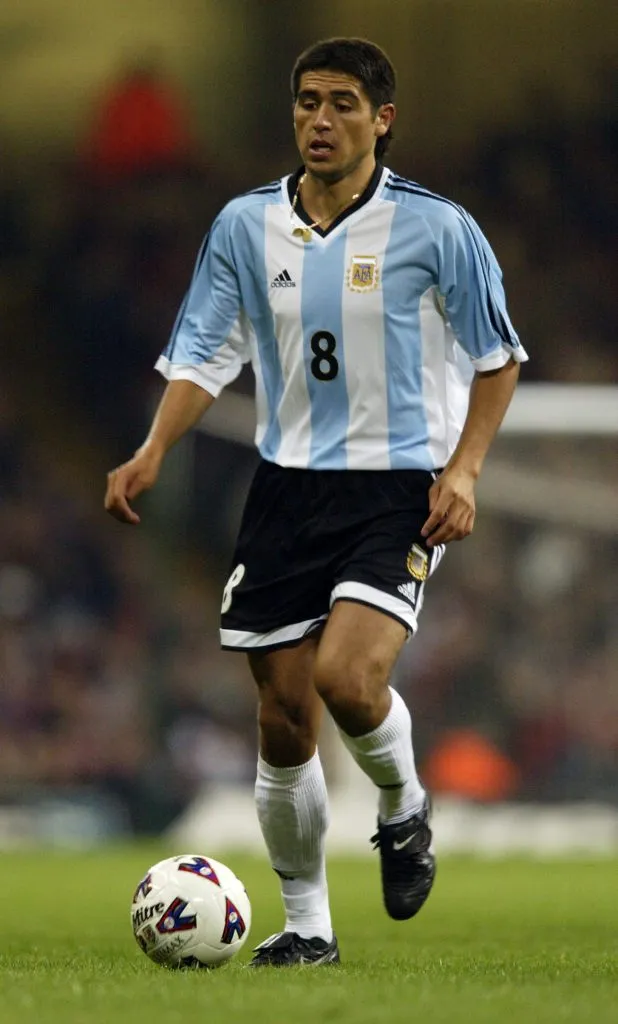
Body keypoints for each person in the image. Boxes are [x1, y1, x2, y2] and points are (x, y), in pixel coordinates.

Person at [105, 37, 527, 967]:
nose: (320, 120)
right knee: (284, 717)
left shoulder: (437, 228)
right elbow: (205, 353)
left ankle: (403, 805)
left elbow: (498, 358)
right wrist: (153, 450)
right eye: (307, 102)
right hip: (286, 488)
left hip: (399, 486)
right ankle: (308, 930)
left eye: (341, 104)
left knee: (347, 679)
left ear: (382, 120)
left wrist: (464, 472)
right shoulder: (245, 225)